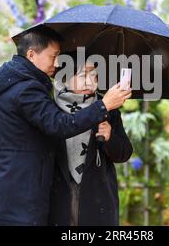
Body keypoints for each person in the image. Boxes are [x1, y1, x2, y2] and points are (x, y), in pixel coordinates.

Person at [0, 27, 131, 226]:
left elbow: (124, 152)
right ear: (31, 55)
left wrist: (108, 131)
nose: (57, 63)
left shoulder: (20, 85)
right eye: (54, 56)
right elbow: (59, 125)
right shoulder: (29, 91)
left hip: (89, 204)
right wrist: (104, 106)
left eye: (94, 75)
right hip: (25, 200)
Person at [48, 51, 133, 226]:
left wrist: (110, 137)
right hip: (58, 194)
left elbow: (124, 153)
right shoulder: (50, 108)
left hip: (97, 195)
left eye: (94, 75)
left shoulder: (108, 107)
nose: (90, 81)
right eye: (82, 75)